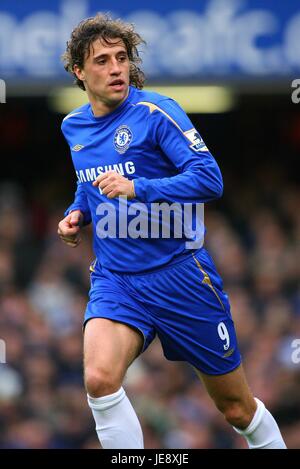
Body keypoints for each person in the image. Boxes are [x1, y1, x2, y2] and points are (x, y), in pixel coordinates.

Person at [57, 13, 286, 449]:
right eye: (102, 61)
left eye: (121, 58)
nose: (115, 68)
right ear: (79, 72)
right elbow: (89, 182)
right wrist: (77, 214)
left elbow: (209, 179)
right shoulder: (74, 126)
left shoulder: (157, 112)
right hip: (117, 278)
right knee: (99, 379)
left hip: (181, 274)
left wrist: (138, 187)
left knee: (237, 408)